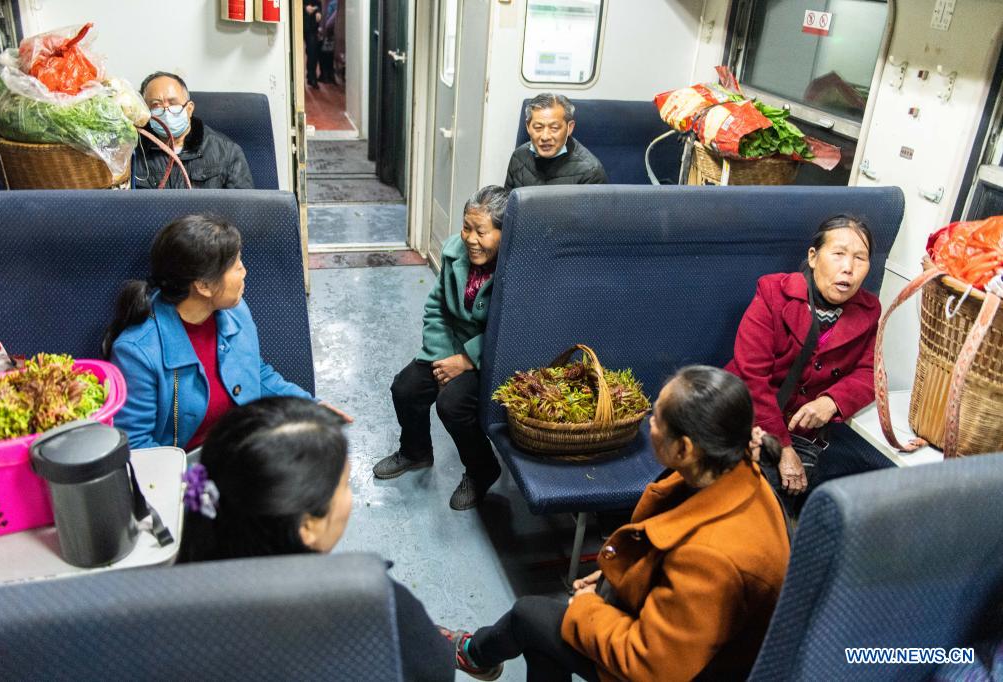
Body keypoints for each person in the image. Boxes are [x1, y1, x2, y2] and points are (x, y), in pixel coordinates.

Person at [441, 366, 790, 681]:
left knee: (527, 616)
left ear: (684, 448)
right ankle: (478, 656)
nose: (649, 423)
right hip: (690, 641)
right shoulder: (733, 471)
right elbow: (666, 555)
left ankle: (474, 656)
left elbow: (651, 667)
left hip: (688, 670)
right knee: (542, 636)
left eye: (657, 420)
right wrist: (617, 576)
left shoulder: (712, 560)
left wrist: (588, 606)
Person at [178, 397, 453, 682]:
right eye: (344, 486)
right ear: (307, 525)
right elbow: (436, 670)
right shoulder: (371, 601)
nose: (349, 499)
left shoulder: (171, 602)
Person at [103, 214, 349, 450]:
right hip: (186, 474)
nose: (245, 272)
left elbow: (256, 372)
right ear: (204, 285)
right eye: (236, 266)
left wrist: (308, 407)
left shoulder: (234, 311)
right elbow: (136, 444)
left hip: (238, 447)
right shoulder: (137, 353)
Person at [726, 214, 880, 514]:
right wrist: (783, 449)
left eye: (860, 258)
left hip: (803, 432)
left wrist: (832, 402)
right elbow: (752, 377)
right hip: (749, 415)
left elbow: (870, 372)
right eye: (838, 254)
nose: (848, 267)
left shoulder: (868, 310)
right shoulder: (773, 294)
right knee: (753, 496)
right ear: (813, 257)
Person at [371, 185, 508, 511]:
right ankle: (416, 451)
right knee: (405, 388)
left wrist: (465, 360)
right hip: (448, 347)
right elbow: (436, 308)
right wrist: (440, 356)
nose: (471, 239)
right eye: (467, 227)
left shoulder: (514, 270)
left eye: (482, 232)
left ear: (505, 233)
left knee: (453, 404)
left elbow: (511, 331)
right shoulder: (454, 253)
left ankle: (481, 470)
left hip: (491, 357)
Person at [134, 71, 254, 189]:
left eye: (173, 103)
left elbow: (245, 205)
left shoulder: (227, 152)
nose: (166, 111)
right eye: (156, 105)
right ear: (145, 112)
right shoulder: (132, 152)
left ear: (189, 109)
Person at [503, 93, 608, 192]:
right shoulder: (518, 157)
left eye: (554, 128)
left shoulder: (591, 172)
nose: (545, 137)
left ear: (569, 128)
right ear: (528, 127)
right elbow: (508, 206)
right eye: (538, 127)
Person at [304, 4, 321, 88]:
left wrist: (318, 11)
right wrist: (304, 7)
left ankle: (312, 77)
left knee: (312, 52)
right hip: (298, 20)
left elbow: (318, 3)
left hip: (312, 25)